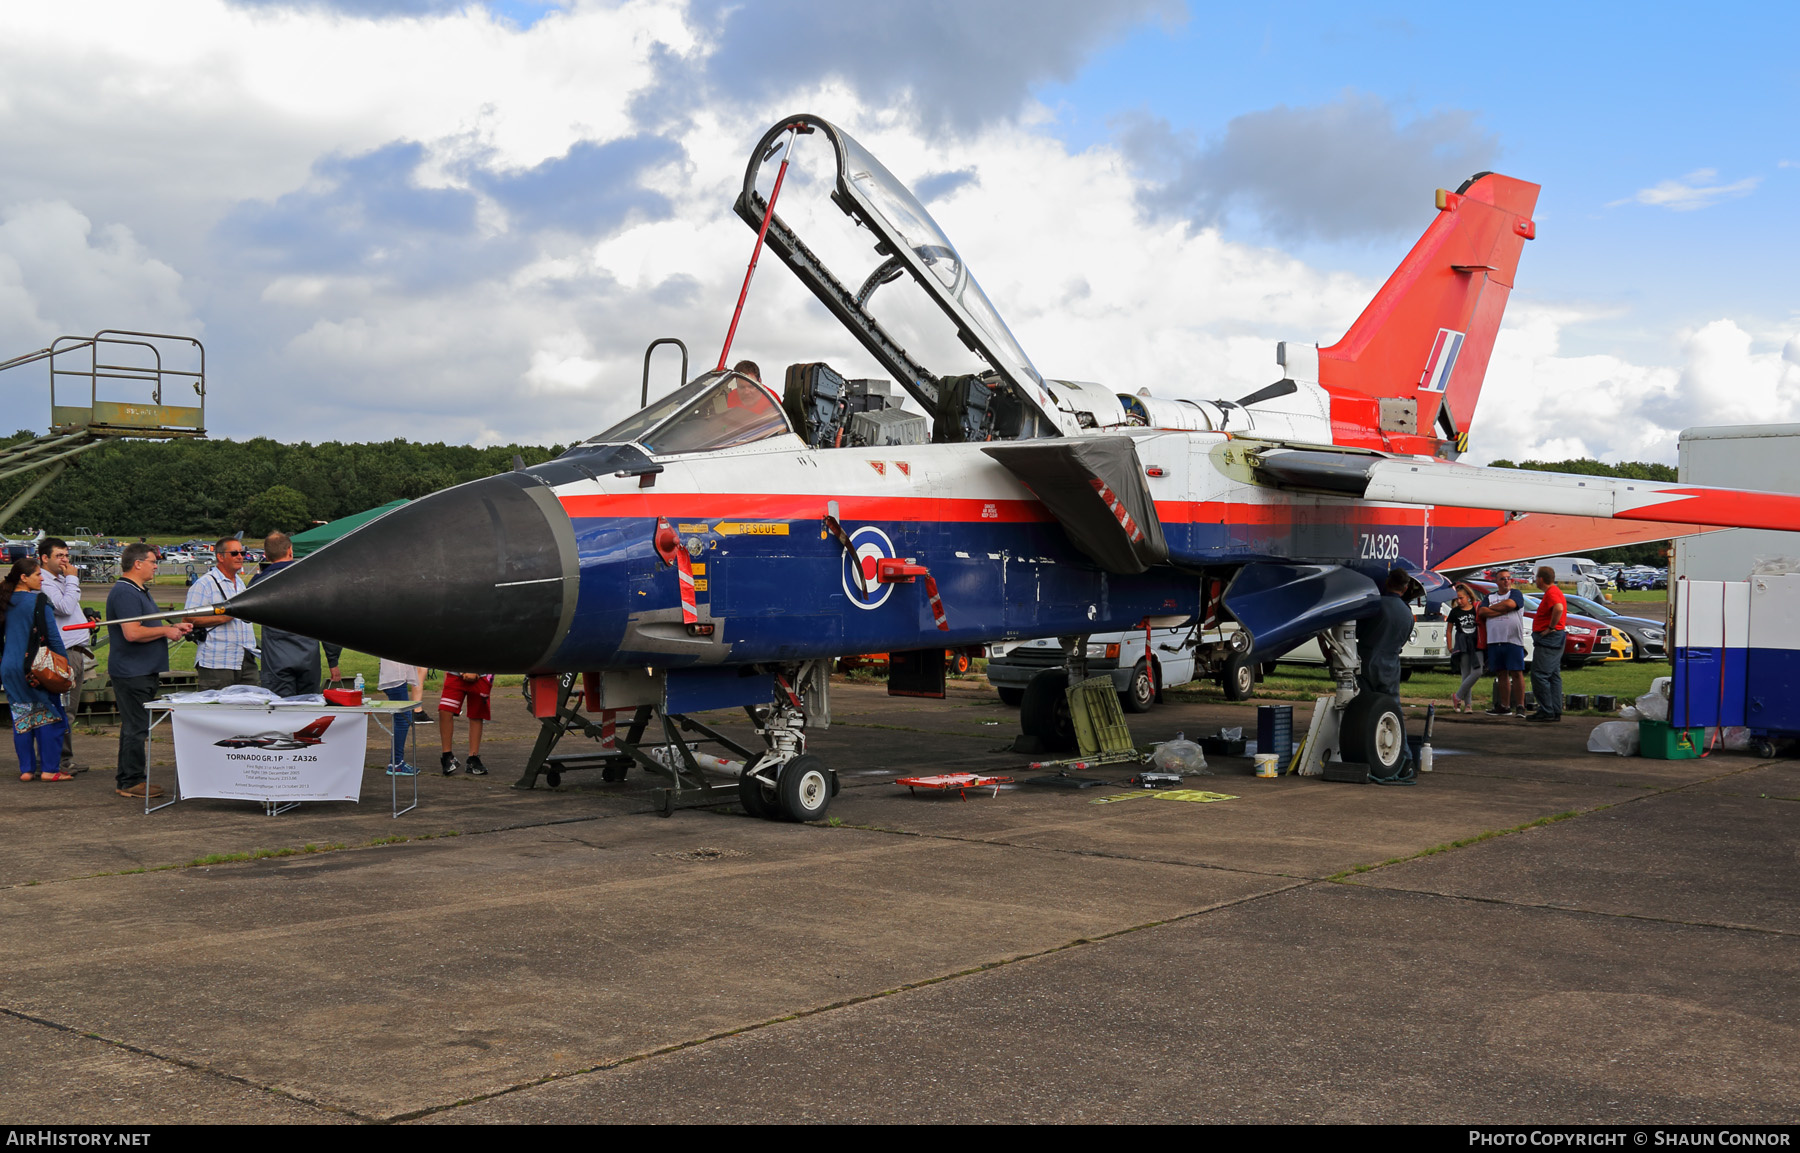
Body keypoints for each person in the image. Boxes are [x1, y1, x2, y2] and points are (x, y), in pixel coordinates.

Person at [107, 543, 192, 798]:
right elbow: (132, 632)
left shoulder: (139, 590)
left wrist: (173, 626)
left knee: (135, 727)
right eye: (153, 561)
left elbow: (145, 626)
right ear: (138, 563)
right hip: (132, 672)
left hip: (142, 670)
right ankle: (131, 781)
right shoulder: (125, 592)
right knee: (136, 728)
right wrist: (166, 631)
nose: (156, 566)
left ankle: (130, 779)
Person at [1, 557, 72, 782]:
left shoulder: (5, 600)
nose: (42, 579)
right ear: (24, 577)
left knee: (22, 716)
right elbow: (53, 637)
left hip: (9, 667)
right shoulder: (38, 601)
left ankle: (27, 770)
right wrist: (65, 665)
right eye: (38, 575)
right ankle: (50, 770)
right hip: (35, 667)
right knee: (50, 716)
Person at [248, 532, 343, 696]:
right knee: (308, 712)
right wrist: (332, 660)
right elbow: (328, 622)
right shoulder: (312, 580)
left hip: (276, 661)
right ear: (290, 550)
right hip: (308, 659)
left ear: (267, 555)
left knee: (281, 713)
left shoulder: (258, 583)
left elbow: (244, 617)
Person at [36, 537, 90, 771]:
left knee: (67, 709)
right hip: (63, 653)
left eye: (66, 555)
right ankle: (58, 761)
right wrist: (72, 579)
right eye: (59, 556)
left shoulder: (58, 580)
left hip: (73, 650)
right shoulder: (45, 583)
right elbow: (65, 607)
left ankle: (57, 759)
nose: (65, 560)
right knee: (63, 709)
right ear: (44, 558)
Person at [184, 537, 257, 690]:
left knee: (250, 708)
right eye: (235, 553)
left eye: (242, 553)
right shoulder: (204, 584)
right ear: (220, 557)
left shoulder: (240, 583)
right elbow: (188, 618)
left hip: (245, 659)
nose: (240, 557)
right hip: (217, 662)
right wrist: (224, 617)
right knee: (218, 710)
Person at [1356, 569, 1416, 697]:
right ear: (1405, 588)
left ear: (1387, 582)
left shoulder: (1374, 605)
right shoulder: (1408, 614)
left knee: (1363, 702)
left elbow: (1357, 631)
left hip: (1367, 661)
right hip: (1391, 665)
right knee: (1390, 704)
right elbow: (1403, 640)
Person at [1478, 570, 1529, 717]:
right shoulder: (1489, 596)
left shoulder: (1515, 594)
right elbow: (1482, 612)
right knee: (1501, 673)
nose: (1506, 581)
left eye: (1508, 578)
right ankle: (1504, 705)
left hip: (1513, 640)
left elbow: (1511, 604)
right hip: (1495, 640)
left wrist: (1494, 609)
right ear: (1496, 582)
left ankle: (1520, 706)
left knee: (1516, 672)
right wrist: (1502, 610)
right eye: (1502, 579)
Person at [1527, 565, 1568, 723]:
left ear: (1541, 579)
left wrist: (1550, 627)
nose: (1535, 580)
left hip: (1550, 638)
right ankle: (1555, 709)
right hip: (1555, 637)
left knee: (1540, 675)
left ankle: (1546, 710)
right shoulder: (1554, 592)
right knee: (1553, 675)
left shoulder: (1551, 593)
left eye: (1536, 577)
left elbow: (1558, 608)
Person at [437, 672, 493, 776]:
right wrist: (462, 671)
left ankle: (473, 757)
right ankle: (447, 755)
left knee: (477, 714)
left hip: (481, 675)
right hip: (455, 672)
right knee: (445, 710)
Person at [377, 658, 424, 774]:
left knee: (402, 718)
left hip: (396, 677)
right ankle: (396, 762)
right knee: (403, 719)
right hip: (395, 678)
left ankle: (396, 761)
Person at [1446, 582, 1484, 713]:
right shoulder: (1455, 612)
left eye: (1461, 598)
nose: (1459, 601)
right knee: (1466, 674)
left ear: (1468, 596)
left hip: (1476, 643)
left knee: (1477, 671)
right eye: (1457, 598)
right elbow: (1449, 630)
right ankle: (1468, 705)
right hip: (1462, 643)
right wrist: (1450, 646)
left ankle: (1457, 696)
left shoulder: (1476, 608)